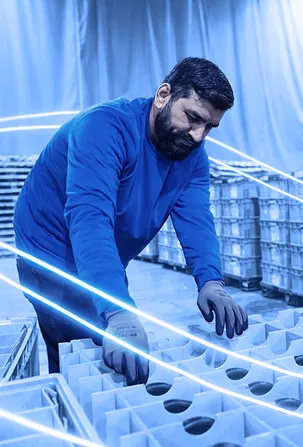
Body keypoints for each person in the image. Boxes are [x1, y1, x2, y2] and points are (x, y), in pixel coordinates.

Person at [13, 57, 249, 386]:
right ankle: (68, 409)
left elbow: (196, 218)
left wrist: (211, 281)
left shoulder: (191, 156)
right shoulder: (104, 129)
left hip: (101, 244)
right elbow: (90, 219)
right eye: (193, 118)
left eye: (209, 126)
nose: (198, 135)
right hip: (51, 246)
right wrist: (117, 310)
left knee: (112, 334)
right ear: (163, 95)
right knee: (78, 343)